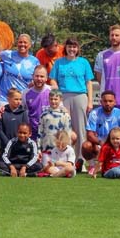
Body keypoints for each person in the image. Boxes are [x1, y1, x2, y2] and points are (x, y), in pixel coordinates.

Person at [48, 38, 94, 168]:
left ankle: (81, 160)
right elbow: (53, 80)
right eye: (69, 47)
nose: (72, 49)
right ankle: (65, 159)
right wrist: (58, 96)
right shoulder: (59, 63)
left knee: (80, 129)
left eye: (74, 47)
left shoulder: (83, 62)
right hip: (63, 97)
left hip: (80, 96)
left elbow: (88, 82)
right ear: (65, 48)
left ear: (78, 49)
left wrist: (90, 101)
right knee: (64, 130)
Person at [81, 91, 120, 174]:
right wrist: (101, 143)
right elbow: (89, 134)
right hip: (100, 144)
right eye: (105, 101)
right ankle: (93, 165)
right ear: (101, 102)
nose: (108, 103)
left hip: (116, 143)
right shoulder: (94, 113)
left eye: (110, 101)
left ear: (115, 102)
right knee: (86, 146)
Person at [0, 88, 30, 158]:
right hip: (5, 147)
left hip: (19, 147)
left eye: (20, 99)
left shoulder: (23, 112)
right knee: (2, 166)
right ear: (8, 99)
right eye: (16, 99)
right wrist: (7, 142)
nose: (19, 102)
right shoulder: (2, 112)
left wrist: (19, 142)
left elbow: (26, 129)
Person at [23, 65, 51, 138]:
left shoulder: (52, 92)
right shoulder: (26, 93)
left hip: (49, 131)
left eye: (42, 76)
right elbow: (20, 110)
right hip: (32, 132)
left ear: (46, 78)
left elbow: (60, 109)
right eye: (37, 76)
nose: (39, 79)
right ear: (33, 77)